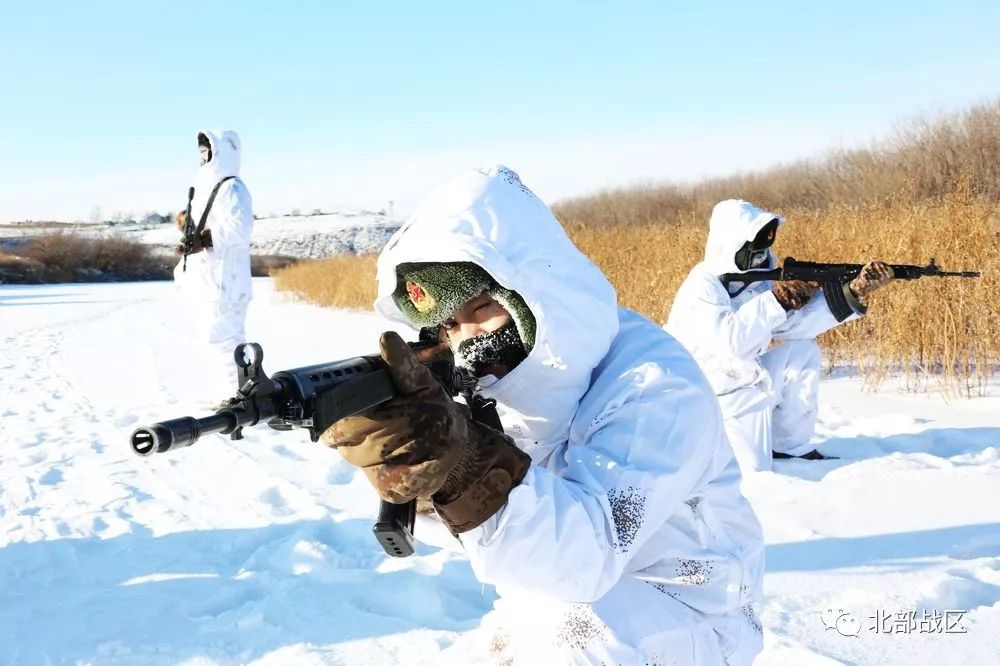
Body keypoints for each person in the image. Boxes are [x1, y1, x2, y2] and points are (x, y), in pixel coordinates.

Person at [322, 166, 765, 664]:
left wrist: (465, 467)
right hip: (554, 599)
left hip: (688, 609)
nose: (467, 339)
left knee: (572, 639)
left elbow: (589, 552)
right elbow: (511, 539)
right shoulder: (505, 383)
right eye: (448, 325)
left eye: (481, 308)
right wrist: (427, 477)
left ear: (535, 291)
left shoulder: (654, 385)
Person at [664, 199, 894, 473]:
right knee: (750, 471)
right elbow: (732, 343)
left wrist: (852, 292)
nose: (760, 259)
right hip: (709, 395)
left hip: (747, 379)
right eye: (754, 253)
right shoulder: (702, 287)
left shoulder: (756, 280)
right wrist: (778, 300)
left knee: (801, 351)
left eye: (763, 252)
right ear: (730, 247)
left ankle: (790, 448)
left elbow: (792, 326)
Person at [173, 129, 254, 403]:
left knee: (224, 339)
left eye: (207, 151)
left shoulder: (232, 187)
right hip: (212, 280)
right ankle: (233, 396)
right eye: (201, 151)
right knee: (216, 339)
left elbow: (239, 228)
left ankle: (239, 400)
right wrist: (188, 227)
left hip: (226, 281)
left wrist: (205, 239)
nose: (203, 156)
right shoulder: (209, 188)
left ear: (222, 153)